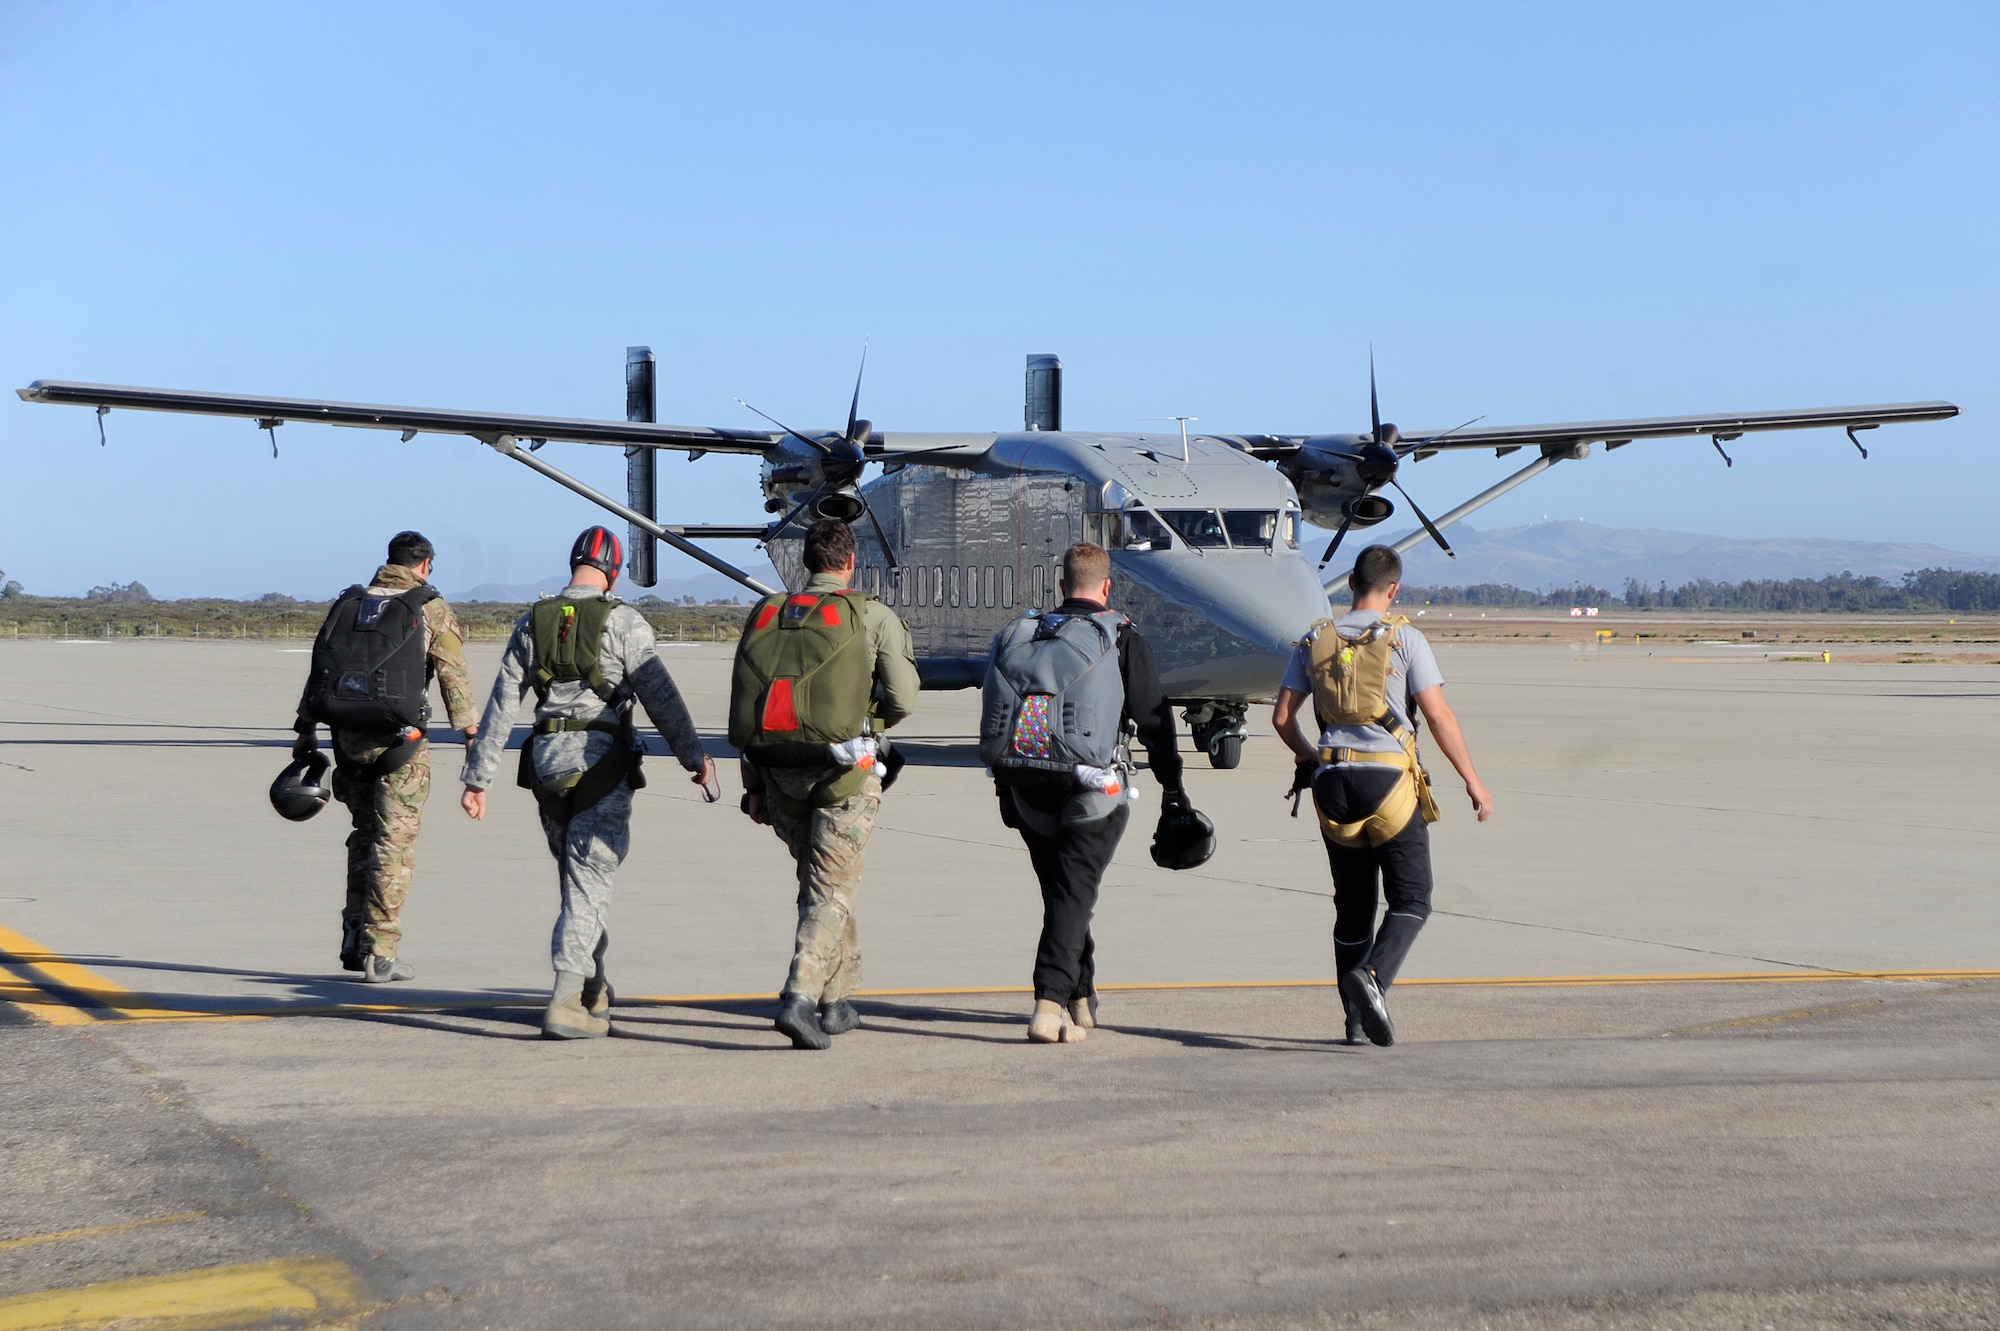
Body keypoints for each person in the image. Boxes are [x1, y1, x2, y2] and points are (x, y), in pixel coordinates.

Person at [459, 525, 716, 1040]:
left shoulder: (532, 621)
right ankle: (564, 1000)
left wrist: (477, 778)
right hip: (602, 766)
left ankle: (593, 987)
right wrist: (695, 758)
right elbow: (660, 695)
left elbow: (502, 704)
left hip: (547, 767)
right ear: (614, 572)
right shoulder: (624, 622)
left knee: (579, 882)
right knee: (589, 881)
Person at [1271, 543, 1493, 1047]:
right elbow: (1437, 717)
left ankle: (1353, 1022)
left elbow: (1282, 719)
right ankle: (1373, 980)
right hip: (1389, 784)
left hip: (1332, 783)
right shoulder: (1404, 639)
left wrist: (1311, 757)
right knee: (1412, 899)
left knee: (1352, 909)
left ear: (1350, 583)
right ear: (1393, 590)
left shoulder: (1313, 639)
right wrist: (1472, 781)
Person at [980, 542, 1188, 1044]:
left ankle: (1081, 999)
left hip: (1026, 787)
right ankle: (1049, 1003)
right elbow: (1155, 719)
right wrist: (1173, 786)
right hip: (1093, 793)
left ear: (1060, 586)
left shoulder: (1023, 633)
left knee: (1064, 894)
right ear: (1107, 587)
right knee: (1073, 894)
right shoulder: (1120, 638)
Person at [732, 519, 919, 1051]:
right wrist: (867, 723)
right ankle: (799, 996)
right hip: (845, 775)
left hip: (777, 771)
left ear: (806, 563)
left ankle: (837, 1001)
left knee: (824, 887)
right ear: (851, 561)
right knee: (832, 891)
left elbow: (753, 703)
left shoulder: (767, 615)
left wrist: (755, 785)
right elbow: (903, 698)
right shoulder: (872, 615)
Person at [294, 530, 477, 983]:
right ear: (425, 564)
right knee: (393, 846)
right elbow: (454, 678)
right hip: (401, 745)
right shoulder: (429, 607)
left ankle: (354, 938)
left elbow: (320, 669)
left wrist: (305, 731)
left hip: (347, 741)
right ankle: (382, 952)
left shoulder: (348, 604)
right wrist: (472, 736)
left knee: (363, 835)